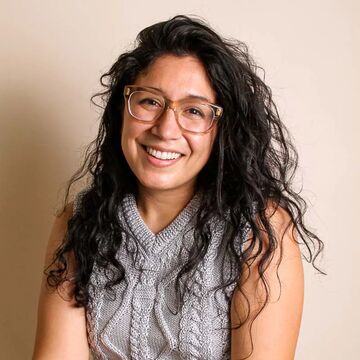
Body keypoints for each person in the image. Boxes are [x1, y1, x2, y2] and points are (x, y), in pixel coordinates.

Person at [32, 15, 324, 360]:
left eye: (195, 111)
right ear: (121, 111)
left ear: (222, 130)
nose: (166, 129)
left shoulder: (259, 231)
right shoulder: (79, 222)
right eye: (150, 101)